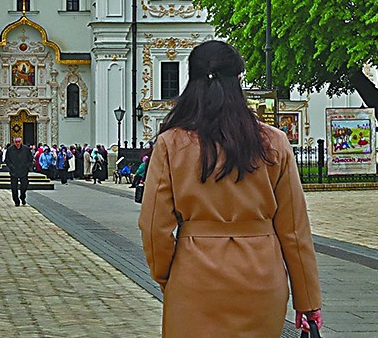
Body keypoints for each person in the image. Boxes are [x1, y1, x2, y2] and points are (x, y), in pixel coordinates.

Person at [137, 41, 322, 338]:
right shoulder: (273, 142)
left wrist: (168, 275)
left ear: (192, 82)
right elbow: (294, 230)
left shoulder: (172, 143)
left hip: (194, 276)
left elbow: (153, 226)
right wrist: (308, 299)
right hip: (261, 277)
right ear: (238, 81)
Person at [6, 134, 34, 206]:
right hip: (14, 171)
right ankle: (16, 201)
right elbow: (7, 160)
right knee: (14, 187)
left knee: (24, 185)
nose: (18, 143)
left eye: (19, 142)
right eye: (16, 142)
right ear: (14, 142)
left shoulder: (26, 149)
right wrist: (11, 167)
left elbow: (30, 159)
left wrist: (27, 166)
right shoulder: (10, 149)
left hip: (23, 170)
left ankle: (22, 197)